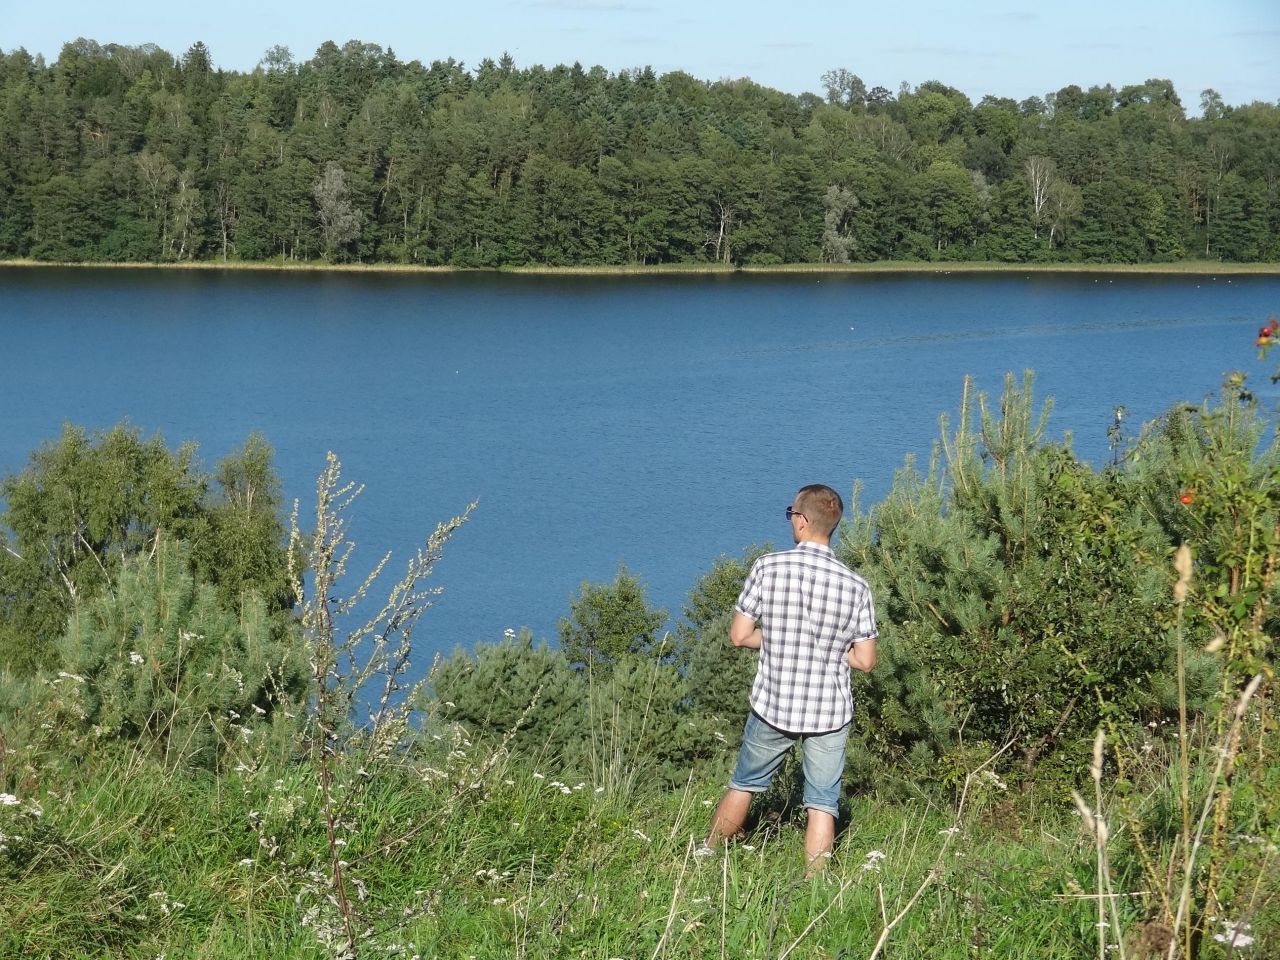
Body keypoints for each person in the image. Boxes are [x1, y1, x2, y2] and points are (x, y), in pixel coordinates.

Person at [700, 483, 877, 872]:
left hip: (773, 704)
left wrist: (778, 638)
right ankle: (816, 888)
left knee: (745, 783)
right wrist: (828, 650)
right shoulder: (856, 586)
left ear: (801, 521)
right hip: (829, 711)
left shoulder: (768, 567)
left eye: (790, 514)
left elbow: (740, 635)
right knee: (822, 803)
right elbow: (865, 661)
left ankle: (707, 855)